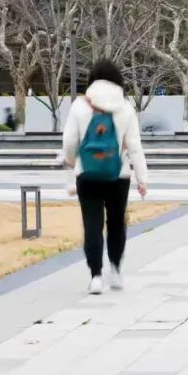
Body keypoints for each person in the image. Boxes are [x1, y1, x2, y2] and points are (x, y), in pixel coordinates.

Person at [62, 60, 148, 294]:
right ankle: (116, 270)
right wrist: (142, 179)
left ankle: (96, 277)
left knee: (92, 224)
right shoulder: (126, 108)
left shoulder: (79, 106)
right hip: (118, 175)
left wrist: (71, 162)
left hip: (87, 174)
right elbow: (135, 146)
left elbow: (69, 142)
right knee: (117, 223)